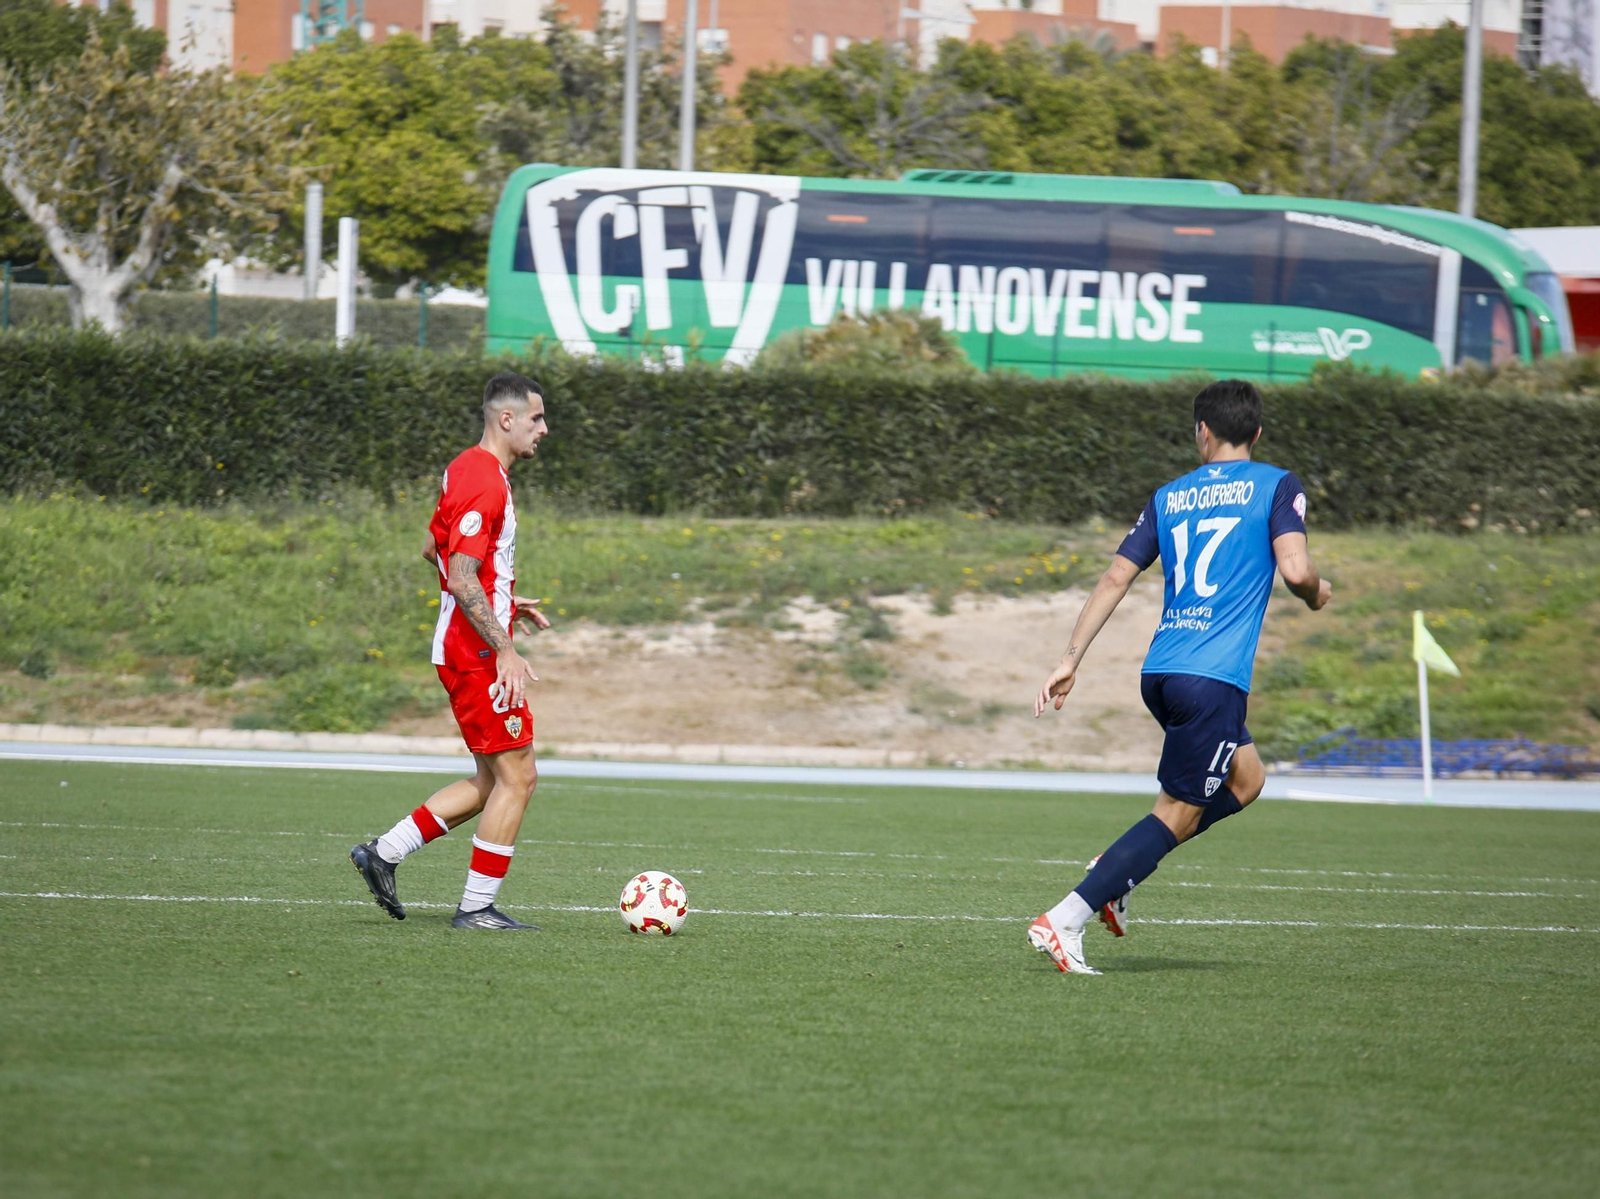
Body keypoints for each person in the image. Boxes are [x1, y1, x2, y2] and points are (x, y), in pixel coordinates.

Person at [1027, 379, 1331, 974]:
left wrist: (1071, 657)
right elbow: (1296, 571)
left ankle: (1119, 868)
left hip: (1163, 671)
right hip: (1211, 679)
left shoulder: (1169, 496)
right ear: (1258, 434)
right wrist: (1318, 592)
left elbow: (1117, 576)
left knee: (1247, 780)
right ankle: (1068, 915)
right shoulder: (1277, 484)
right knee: (1179, 814)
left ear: (1203, 431)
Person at [350, 371, 551, 930]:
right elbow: (462, 579)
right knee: (519, 778)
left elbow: (432, 551)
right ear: (505, 419)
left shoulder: (465, 468)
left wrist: (506, 599)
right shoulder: (485, 481)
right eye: (536, 418)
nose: (544, 429)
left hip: (466, 646)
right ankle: (477, 908)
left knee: (492, 780)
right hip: (478, 655)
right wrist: (505, 647)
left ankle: (383, 854)